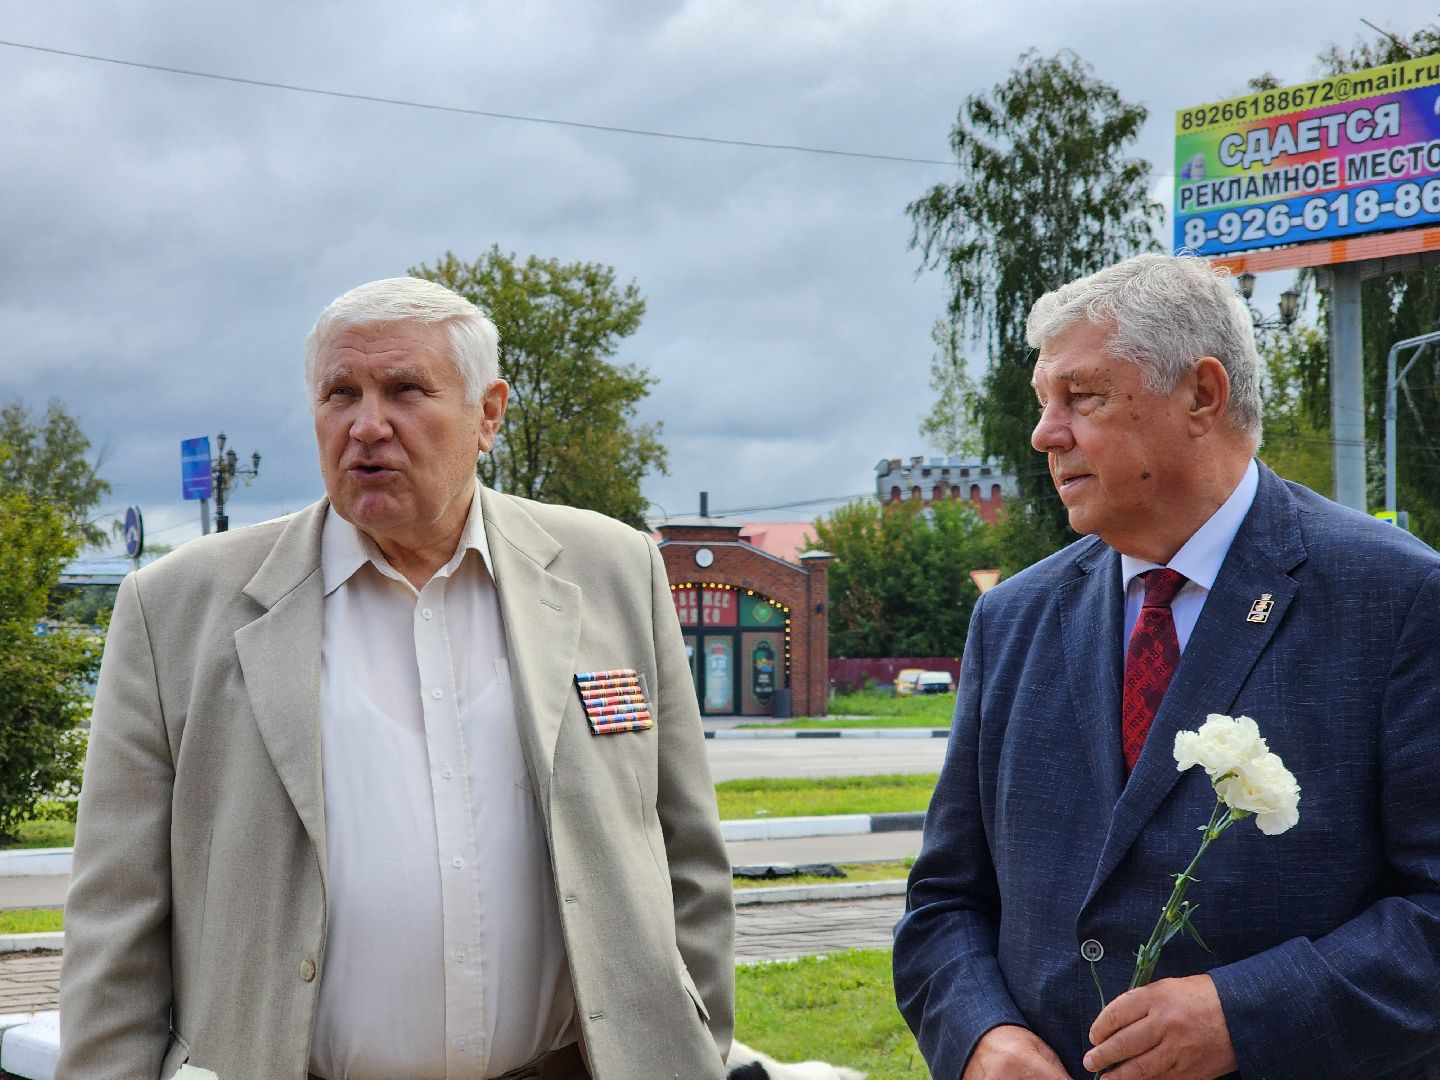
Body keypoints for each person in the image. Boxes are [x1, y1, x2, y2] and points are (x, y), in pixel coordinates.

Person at [58, 277, 734, 1080]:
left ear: (488, 414)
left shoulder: (612, 570)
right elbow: (116, 912)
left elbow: (687, 857)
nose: (367, 425)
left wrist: (694, 1052)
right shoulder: (176, 608)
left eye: (405, 390)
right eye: (340, 393)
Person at [893, 253, 1440, 1079]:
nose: (1045, 433)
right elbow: (944, 902)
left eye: (1083, 396)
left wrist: (1245, 1017)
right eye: (1045, 402)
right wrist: (979, 1037)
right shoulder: (1011, 619)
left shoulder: (1397, 598)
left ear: (1202, 396)